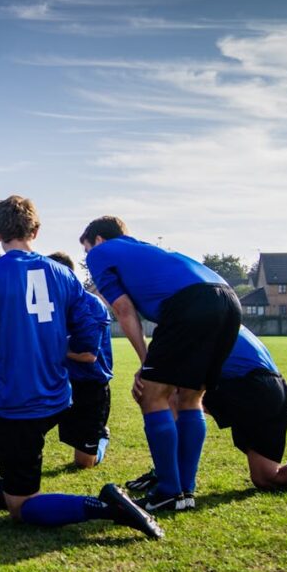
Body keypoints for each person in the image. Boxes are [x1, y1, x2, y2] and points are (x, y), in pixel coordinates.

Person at [0, 196, 162, 540]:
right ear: (36, 230)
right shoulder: (64, 275)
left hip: (16, 402)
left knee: (21, 507)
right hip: (58, 395)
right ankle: (10, 480)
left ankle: (105, 506)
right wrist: (56, 344)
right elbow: (89, 332)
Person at [81, 216, 241, 512]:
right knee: (190, 397)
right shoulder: (142, 250)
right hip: (228, 299)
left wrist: (146, 361)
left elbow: (124, 310)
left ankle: (168, 489)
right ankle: (185, 491)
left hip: (190, 303)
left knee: (151, 394)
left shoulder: (102, 252)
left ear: (99, 240)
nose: (89, 257)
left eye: (87, 250)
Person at [125, 326, 287, 497]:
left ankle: (167, 477)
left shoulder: (193, 321)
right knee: (267, 477)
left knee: (171, 398)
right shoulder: (220, 314)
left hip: (251, 387)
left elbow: (178, 381)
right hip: (278, 391)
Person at [47, 252, 112, 469]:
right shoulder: (48, 305)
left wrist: (50, 349)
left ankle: (101, 438)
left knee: (84, 463)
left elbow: (88, 356)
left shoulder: (90, 305)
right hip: (59, 381)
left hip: (90, 385)